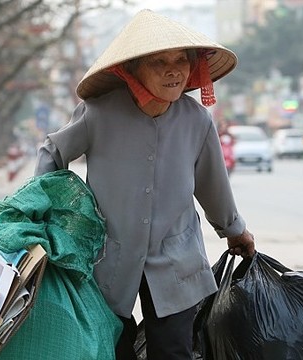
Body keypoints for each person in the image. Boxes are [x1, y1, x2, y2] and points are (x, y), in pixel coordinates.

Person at [34, 9, 255, 360]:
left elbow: (212, 183)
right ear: (132, 70)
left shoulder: (196, 120)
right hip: (108, 256)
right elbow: (52, 153)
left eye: (181, 60)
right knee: (110, 348)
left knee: (173, 351)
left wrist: (233, 229)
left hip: (176, 256)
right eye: (159, 62)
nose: (174, 70)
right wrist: (48, 215)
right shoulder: (98, 113)